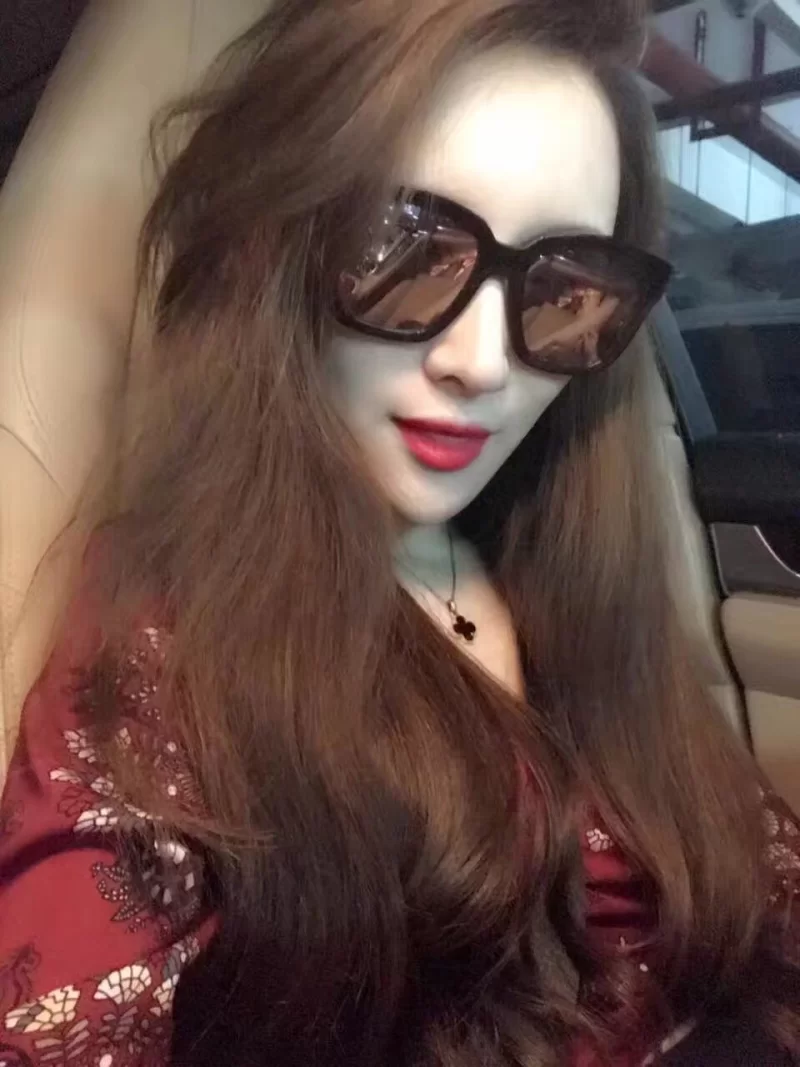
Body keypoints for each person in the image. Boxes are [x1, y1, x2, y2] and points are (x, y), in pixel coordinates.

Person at [0, 0, 798, 1064]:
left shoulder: (568, 579)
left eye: (564, 292)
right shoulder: (173, 652)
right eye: (407, 251)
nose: (483, 361)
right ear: (282, 252)